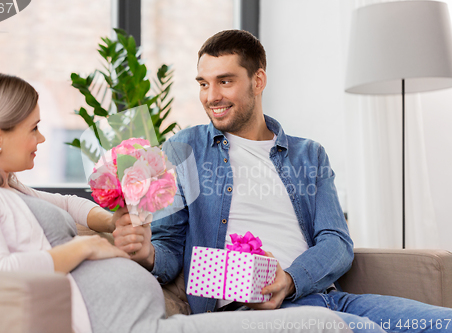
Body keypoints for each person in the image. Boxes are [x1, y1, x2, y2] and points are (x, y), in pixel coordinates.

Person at [0, 71, 353, 333]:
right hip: (127, 323)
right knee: (323, 326)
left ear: (259, 80)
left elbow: (68, 205)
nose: (42, 139)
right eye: (34, 128)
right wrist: (89, 245)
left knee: (335, 322)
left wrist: (115, 222)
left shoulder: (11, 187)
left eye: (225, 81)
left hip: (152, 315)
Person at [113, 30, 452, 333]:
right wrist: (147, 253)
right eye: (203, 83)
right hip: (254, 312)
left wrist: (289, 280)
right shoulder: (182, 150)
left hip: (326, 297)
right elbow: (170, 246)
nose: (211, 96)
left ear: (258, 80)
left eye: (225, 81)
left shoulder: (309, 155)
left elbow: (336, 241)